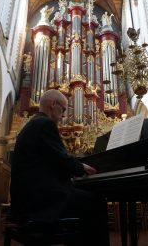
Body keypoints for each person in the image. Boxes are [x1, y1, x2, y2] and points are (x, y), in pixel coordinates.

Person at [10, 89, 109, 246]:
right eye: (63, 109)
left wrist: (75, 166)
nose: (64, 115)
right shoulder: (45, 124)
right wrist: (81, 166)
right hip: (39, 203)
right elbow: (63, 161)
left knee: (83, 198)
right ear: (52, 104)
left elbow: (53, 161)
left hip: (26, 201)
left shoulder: (32, 125)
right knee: (96, 202)